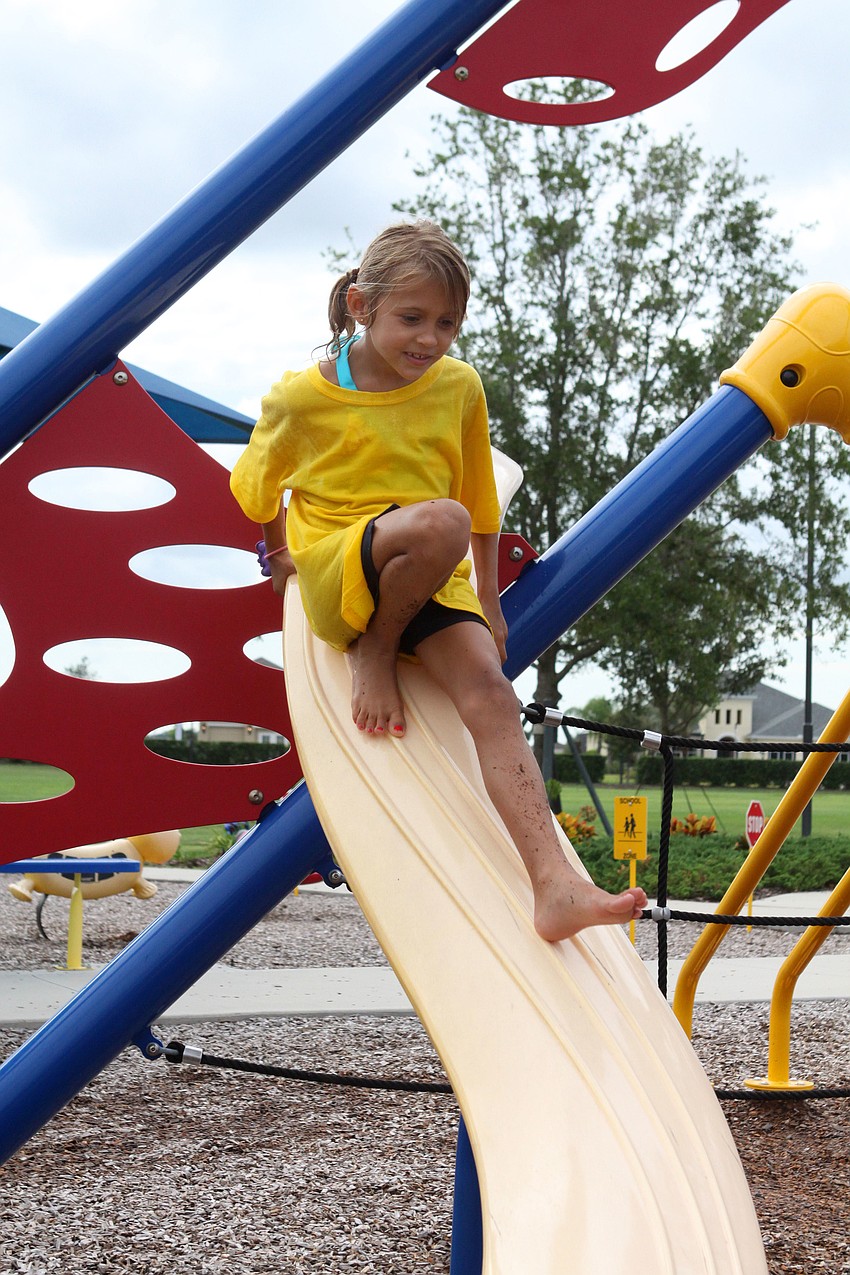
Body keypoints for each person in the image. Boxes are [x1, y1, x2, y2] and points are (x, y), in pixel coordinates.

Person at [230, 220, 646, 941]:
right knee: (439, 523)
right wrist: (279, 560)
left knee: (490, 690)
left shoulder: (457, 386)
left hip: (430, 568)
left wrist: (485, 601)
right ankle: (376, 650)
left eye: (447, 323)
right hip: (340, 562)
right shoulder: (302, 398)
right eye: (412, 319)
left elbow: (481, 498)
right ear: (361, 306)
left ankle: (555, 886)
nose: (430, 339)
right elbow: (257, 490)